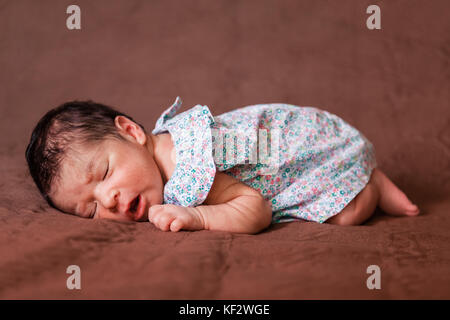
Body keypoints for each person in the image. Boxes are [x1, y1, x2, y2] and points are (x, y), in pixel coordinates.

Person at [25, 97, 420, 234]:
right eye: (90, 209)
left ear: (131, 132)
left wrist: (199, 218)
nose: (108, 200)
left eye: (106, 174)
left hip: (312, 151)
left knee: (344, 216)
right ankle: (370, 174)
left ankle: (372, 183)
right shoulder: (164, 145)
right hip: (291, 138)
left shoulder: (187, 169)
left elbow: (257, 209)